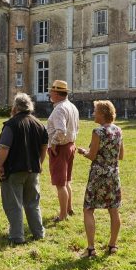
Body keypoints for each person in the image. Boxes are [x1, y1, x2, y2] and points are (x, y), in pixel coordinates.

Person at [0, 93, 49, 244]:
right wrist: (40, 163)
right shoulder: (40, 124)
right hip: (33, 169)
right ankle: (38, 233)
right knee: (33, 203)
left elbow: (4, 147)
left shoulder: (11, 124)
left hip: (14, 170)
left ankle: (17, 236)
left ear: (15, 107)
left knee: (14, 204)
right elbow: (44, 147)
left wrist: (0, 165)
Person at [76, 100, 124, 258]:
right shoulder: (118, 131)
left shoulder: (98, 132)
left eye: (95, 111)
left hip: (98, 175)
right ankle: (112, 245)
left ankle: (91, 249)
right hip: (113, 174)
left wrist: (84, 152)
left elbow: (92, 155)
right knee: (114, 209)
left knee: (89, 209)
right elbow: (121, 155)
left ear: (103, 114)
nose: (93, 113)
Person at [46, 79, 80, 222]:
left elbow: (61, 130)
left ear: (57, 93)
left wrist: (53, 143)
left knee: (60, 183)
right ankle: (69, 208)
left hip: (60, 147)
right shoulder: (71, 106)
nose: (49, 94)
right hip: (70, 145)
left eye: (51, 91)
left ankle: (63, 214)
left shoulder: (60, 109)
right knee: (66, 181)